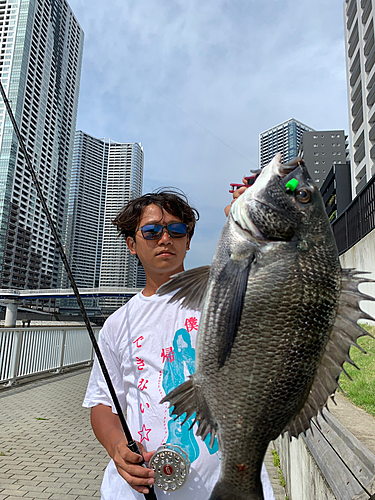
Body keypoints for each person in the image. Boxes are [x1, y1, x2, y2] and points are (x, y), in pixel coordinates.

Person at [83, 189, 275, 499]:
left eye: (176, 230)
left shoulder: (225, 295)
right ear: (131, 244)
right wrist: (116, 445)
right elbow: (103, 403)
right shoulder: (117, 324)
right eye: (151, 230)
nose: (164, 238)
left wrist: (252, 218)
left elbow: (274, 280)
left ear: (187, 240)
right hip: (136, 491)